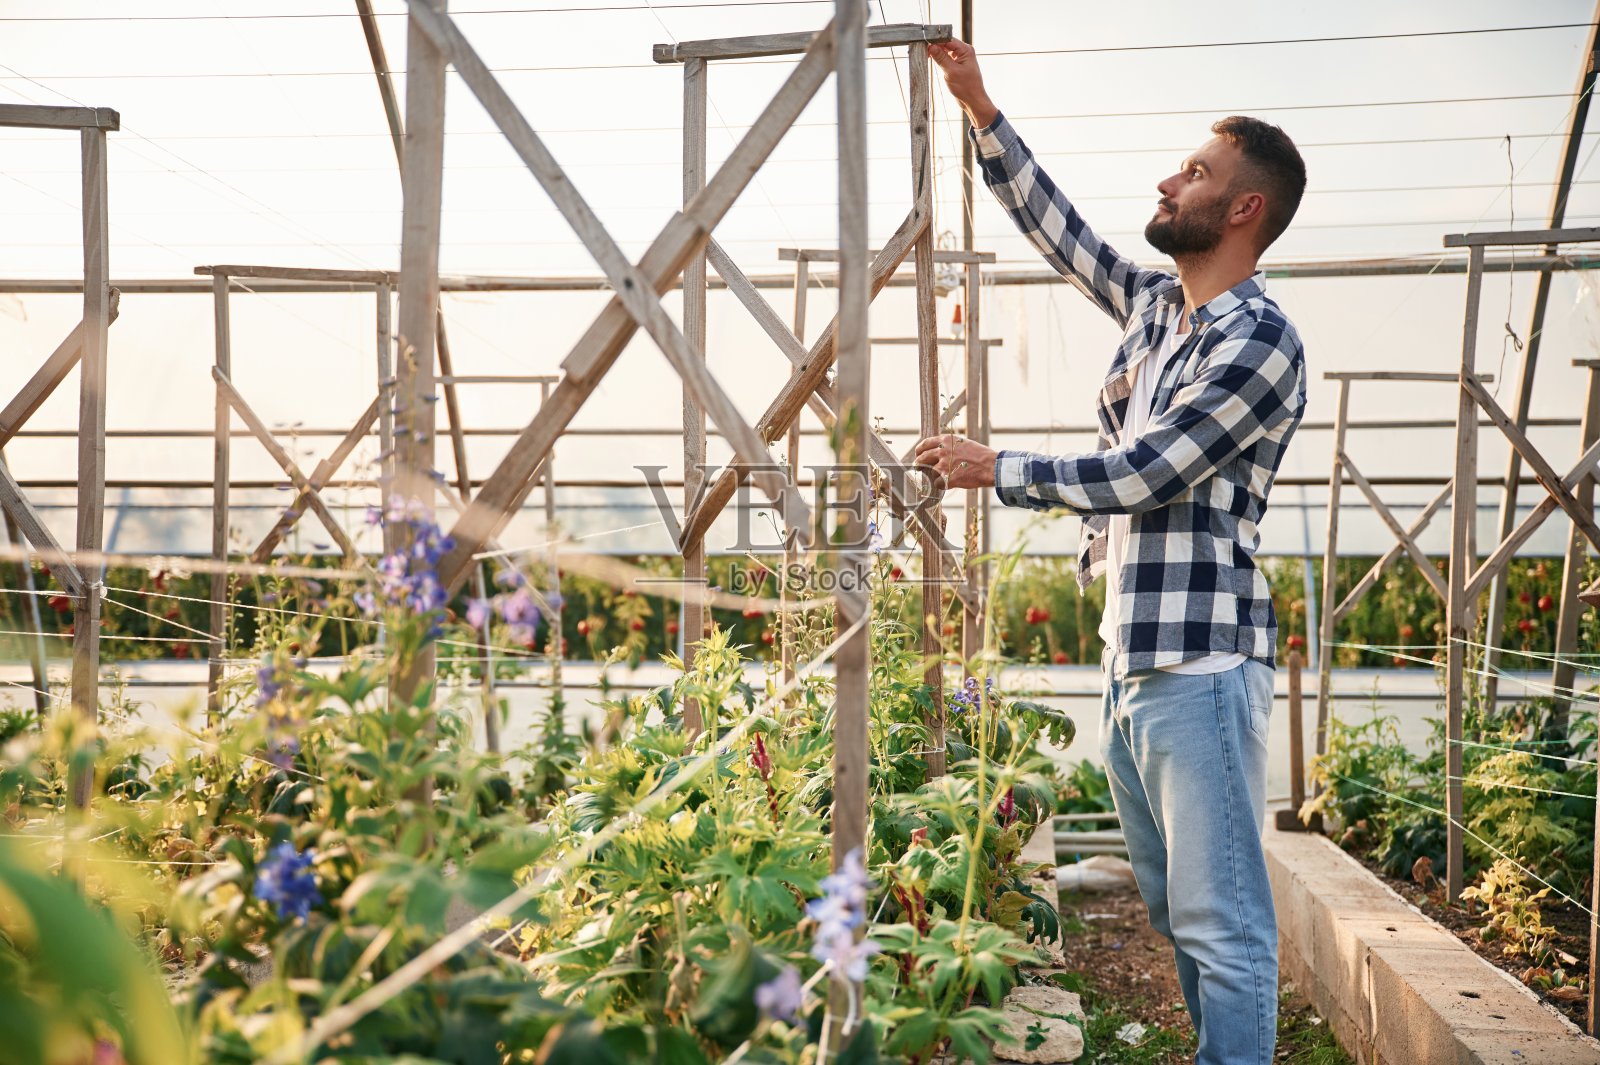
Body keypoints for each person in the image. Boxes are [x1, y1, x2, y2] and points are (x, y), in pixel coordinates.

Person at [913, 39, 1308, 1065]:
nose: (1169, 182)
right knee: (1176, 911)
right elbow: (1063, 235)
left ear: (1243, 209)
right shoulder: (1156, 308)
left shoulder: (1260, 342)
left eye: (1195, 173)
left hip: (1201, 662)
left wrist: (998, 466)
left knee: (1223, 922)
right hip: (1131, 658)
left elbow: (1149, 471)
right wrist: (980, 109)